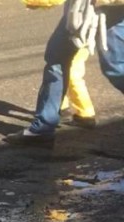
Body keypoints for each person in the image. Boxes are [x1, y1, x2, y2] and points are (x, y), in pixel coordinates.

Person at [6, 0, 98, 146]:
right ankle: (69, 113)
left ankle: (54, 122)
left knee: (63, 64)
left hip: (88, 12)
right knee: (65, 63)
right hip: (88, 11)